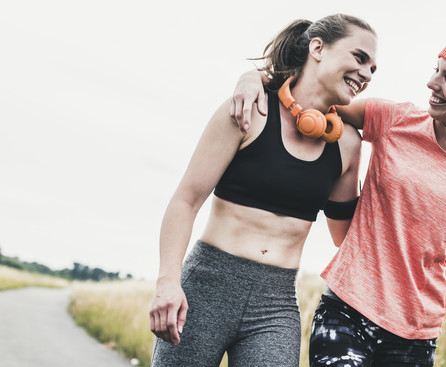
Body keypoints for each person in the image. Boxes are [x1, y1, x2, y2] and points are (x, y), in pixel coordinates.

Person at [230, 36, 446, 366]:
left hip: (416, 334)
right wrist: (254, 78)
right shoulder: (397, 119)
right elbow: (315, 97)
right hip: (346, 313)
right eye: (437, 70)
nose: (432, 83)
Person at [149, 14, 378, 367]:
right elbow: (186, 200)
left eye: (373, 69)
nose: (366, 74)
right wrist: (168, 281)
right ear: (317, 48)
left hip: (276, 303)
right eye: (359, 58)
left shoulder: (347, 144)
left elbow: (344, 235)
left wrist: (423, 229)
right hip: (206, 288)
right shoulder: (248, 110)